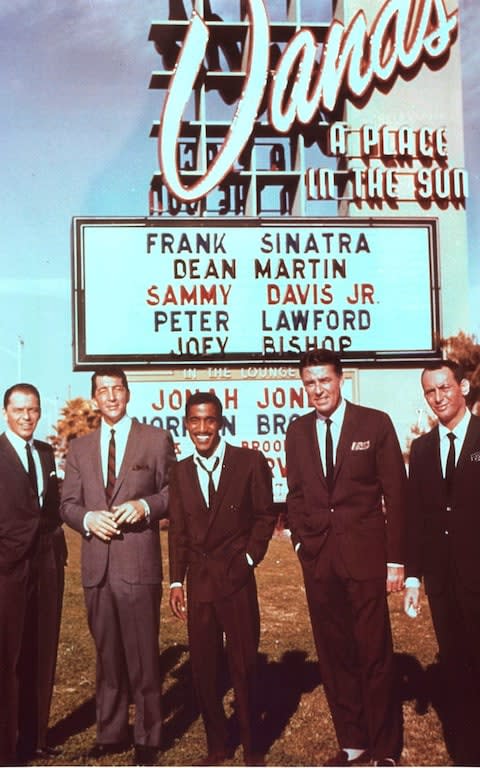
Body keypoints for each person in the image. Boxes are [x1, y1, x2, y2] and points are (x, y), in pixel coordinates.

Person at [285, 349, 407, 767]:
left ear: (341, 379)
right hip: (320, 562)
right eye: (309, 383)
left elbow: (397, 494)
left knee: (374, 653)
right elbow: (296, 495)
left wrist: (396, 560)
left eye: (324, 380)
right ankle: (354, 744)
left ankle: (385, 749)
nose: (317, 389)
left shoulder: (374, 423)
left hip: (366, 559)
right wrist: (303, 545)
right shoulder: (297, 431)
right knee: (335, 655)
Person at [61, 366, 175, 766]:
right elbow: (67, 504)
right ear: (94, 397)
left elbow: (171, 492)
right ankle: (110, 732)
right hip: (97, 566)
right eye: (102, 390)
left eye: (117, 389)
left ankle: (148, 735)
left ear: (128, 394)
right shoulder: (78, 448)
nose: (110, 396)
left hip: (138, 564)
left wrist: (144, 506)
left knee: (143, 654)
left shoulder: (155, 440)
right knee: (107, 653)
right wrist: (88, 520)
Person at [168, 392, 276, 766]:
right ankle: (218, 744)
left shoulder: (248, 462)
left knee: (244, 663)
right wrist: (175, 582)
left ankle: (251, 744)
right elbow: (178, 531)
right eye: (195, 421)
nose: (202, 429)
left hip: (237, 579)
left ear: (220, 421)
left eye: (209, 420)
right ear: (185, 423)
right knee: (204, 666)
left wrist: (248, 557)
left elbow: (265, 516)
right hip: (199, 582)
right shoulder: (179, 471)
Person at [404, 360, 480, 766]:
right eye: (430, 392)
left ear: (463, 387)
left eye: (445, 388)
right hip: (443, 585)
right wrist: (413, 577)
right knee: (457, 670)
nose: (438, 398)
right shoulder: (422, 449)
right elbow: (416, 517)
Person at [0, 383, 66, 765]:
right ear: (6, 412)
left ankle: (36, 738)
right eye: (20, 410)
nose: (27, 417)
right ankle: (8, 747)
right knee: (9, 657)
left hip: (46, 565)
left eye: (34, 410)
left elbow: (49, 507)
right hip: (8, 568)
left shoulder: (44, 452)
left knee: (42, 652)